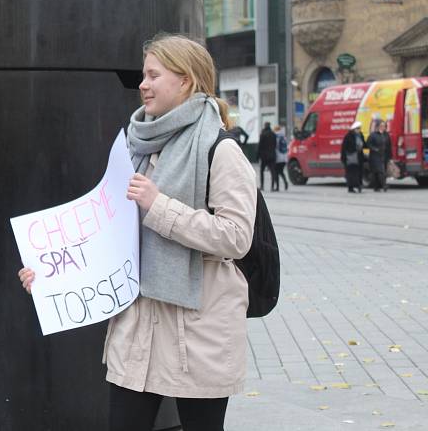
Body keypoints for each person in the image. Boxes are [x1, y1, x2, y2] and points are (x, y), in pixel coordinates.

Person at [19, 34, 257, 431]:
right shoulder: (135, 146)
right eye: (143, 75)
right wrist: (51, 275)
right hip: (138, 332)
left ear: (185, 81)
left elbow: (236, 237)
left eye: (153, 75)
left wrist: (159, 205)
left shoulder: (221, 149)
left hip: (197, 333)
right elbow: (108, 233)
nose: (143, 84)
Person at [367, 120, 392, 192]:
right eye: (381, 126)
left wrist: (390, 157)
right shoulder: (373, 135)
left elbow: (389, 146)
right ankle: (384, 185)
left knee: (380, 171)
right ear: (377, 127)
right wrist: (375, 149)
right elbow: (368, 144)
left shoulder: (386, 135)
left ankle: (377, 187)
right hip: (375, 156)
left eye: (384, 126)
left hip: (384, 155)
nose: (383, 127)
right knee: (380, 171)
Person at [341, 121, 366, 193]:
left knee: (359, 172)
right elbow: (344, 148)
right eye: (357, 128)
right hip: (350, 157)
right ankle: (350, 187)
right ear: (354, 129)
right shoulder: (348, 136)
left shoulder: (360, 135)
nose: (359, 130)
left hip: (359, 156)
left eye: (359, 128)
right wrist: (343, 158)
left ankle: (359, 186)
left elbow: (364, 144)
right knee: (351, 173)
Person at [257, 122, 277, 191]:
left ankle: (262, 186)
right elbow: (275, 145)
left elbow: (260, 146)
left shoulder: (263, 134)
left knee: (262, 171)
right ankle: (272, 187)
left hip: (264, 156)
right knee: (272, 171)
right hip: (272, 155)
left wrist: (258, 156)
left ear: (265, 126)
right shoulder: (273, 134)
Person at [273, 125, 289, 191]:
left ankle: (277, 187)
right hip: (284, 157)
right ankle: (285, 182)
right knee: (281, 171)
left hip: (278, 157)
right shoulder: (284, 136)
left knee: (276, 172)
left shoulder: (276, 136)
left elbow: (275, 146)